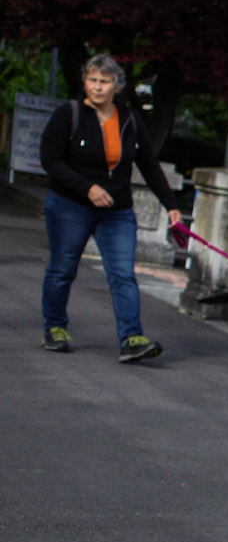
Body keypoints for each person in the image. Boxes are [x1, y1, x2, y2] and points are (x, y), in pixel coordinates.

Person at [38, 54, 180, 362]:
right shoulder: (69, 114)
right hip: (69, 205)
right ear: (84, 82)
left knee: (123, 275)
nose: (98, 87)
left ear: (117, 85)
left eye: (104, 81)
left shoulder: (129, 119)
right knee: (62, 269)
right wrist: (86, 187)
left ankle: (131, 338)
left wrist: (171, 205)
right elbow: (50, 160)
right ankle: (55, 327)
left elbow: (149, 166)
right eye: (92, 80)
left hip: (117, 211)